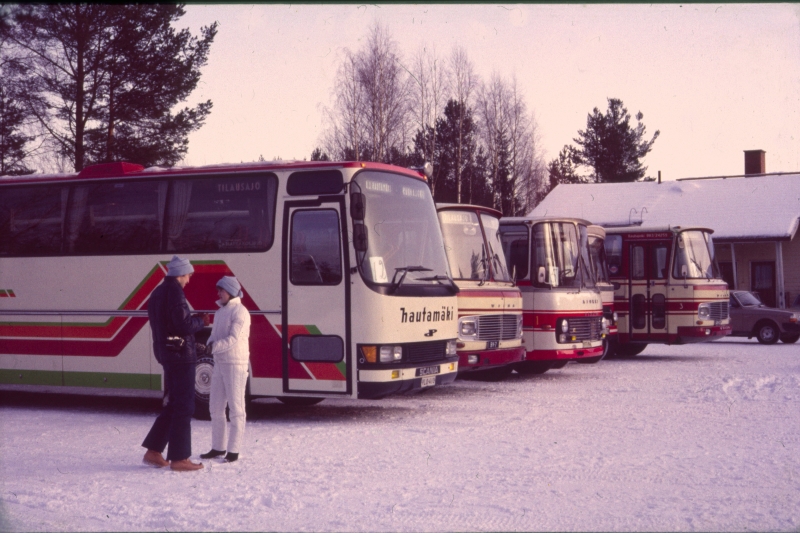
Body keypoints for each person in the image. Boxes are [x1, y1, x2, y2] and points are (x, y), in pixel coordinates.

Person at [141, 256, 209, 472]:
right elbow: (183, 324)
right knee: (185, 405)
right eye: (188, 275)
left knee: (174, 403)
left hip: (167, 354)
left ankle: (153, 452)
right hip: (181, 356)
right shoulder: (175, 292)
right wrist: (201, 321)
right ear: (180, 273)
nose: (189, 279)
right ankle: (180, 458)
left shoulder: (158, 292)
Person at [200, 276, 251, 463]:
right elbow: (213, 335)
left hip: (236, 365)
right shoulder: (220, 312)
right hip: (220, 364)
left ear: (230, 291)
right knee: (215, 407)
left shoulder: (241, 312)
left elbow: (233, 339)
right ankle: (218, 447)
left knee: (236, 409)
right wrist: (207, 345)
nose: (218, 293)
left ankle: (233, 450)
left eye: (221, 290)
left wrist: (211, 348)